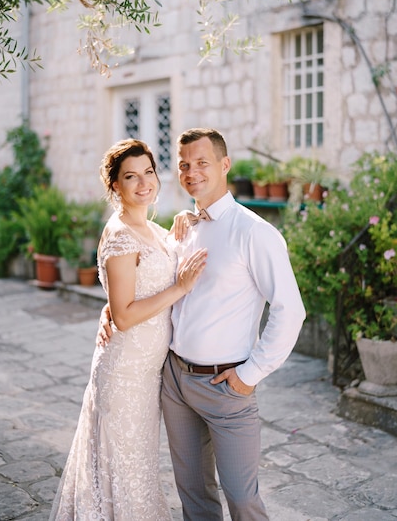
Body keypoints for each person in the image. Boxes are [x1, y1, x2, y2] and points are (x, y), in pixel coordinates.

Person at [99, 128, 306, 521]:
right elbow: (147, 283)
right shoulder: (183, 227)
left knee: (243, 500)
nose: (192, 172)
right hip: (175, 380)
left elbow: (290, 310)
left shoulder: (256, 233)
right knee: (194, 495)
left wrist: (251, 374)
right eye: (184, 165)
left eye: (202, 163)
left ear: (225, 165)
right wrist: (110, 311)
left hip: (225, 386)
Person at [49, 138, 207, 521]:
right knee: (123, 471)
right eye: (130, 177)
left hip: (146, 373)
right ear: (115, 186)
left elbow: (144, 275)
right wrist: (180, 288)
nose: (143, 184)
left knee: (137, 469)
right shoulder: (120, 235)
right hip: (124, 374)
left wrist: (182, 220)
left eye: (148, 172)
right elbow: (123, 315)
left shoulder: (150, 227)